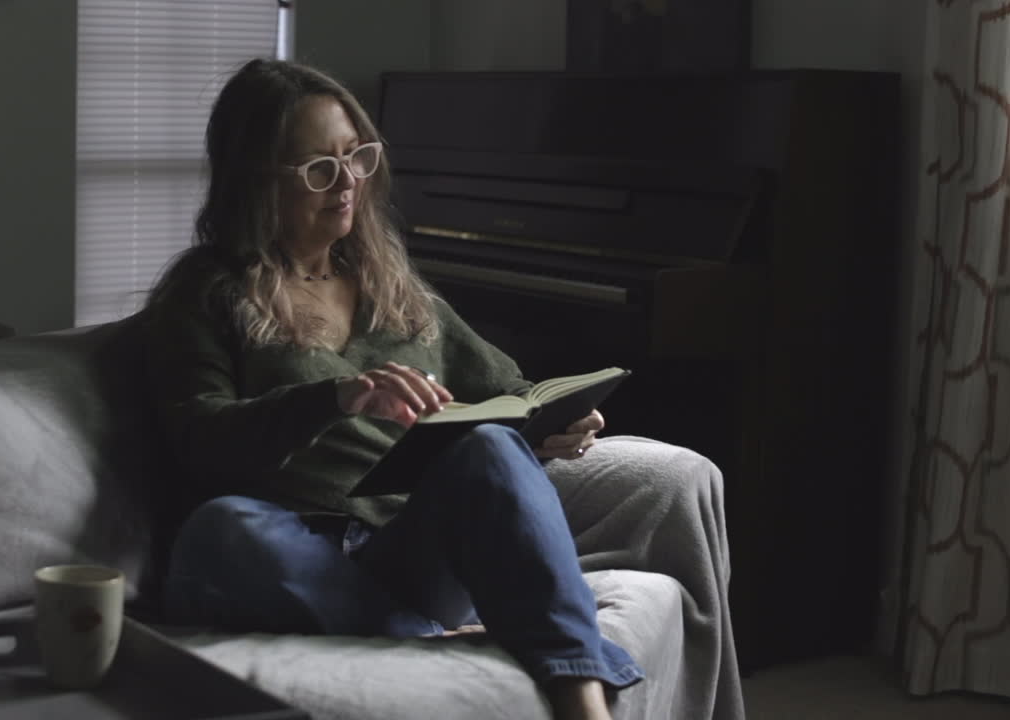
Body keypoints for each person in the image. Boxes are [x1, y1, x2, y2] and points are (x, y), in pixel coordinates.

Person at [139, 58, 742, 720]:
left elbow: (509, 389)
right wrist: (335, 398)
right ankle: (430, 636)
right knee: (217, 529)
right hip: (287, 544)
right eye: (318, 170)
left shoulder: (386, 279)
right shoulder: (204, 292)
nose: (347, 185)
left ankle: (581, 699)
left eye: (356, 157)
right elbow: (202, 440)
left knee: (489, 441)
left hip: (411, 544)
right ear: (255, 179)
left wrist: (555, 420)